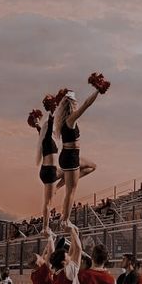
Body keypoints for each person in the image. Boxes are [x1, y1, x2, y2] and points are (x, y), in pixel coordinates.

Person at [55, 83, 103, 224]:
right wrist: (97, 91)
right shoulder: (70, 119)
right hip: (70, 158)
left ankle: (59, 184)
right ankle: (65, 219)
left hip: (69, 156)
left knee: (92, 166)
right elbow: (86, 104)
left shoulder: (65, 120)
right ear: (71, 105)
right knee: (71, 191)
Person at [30, 96, 59, 233]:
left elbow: (39, 129)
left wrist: (36, 122)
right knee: (48, 202)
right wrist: (52, 110)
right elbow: (50, 124)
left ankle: (57, 187)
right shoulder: (47, 137)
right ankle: (45, 228)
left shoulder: (45, 139)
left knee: (71, 171)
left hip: (49, 170)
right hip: (50, 172)